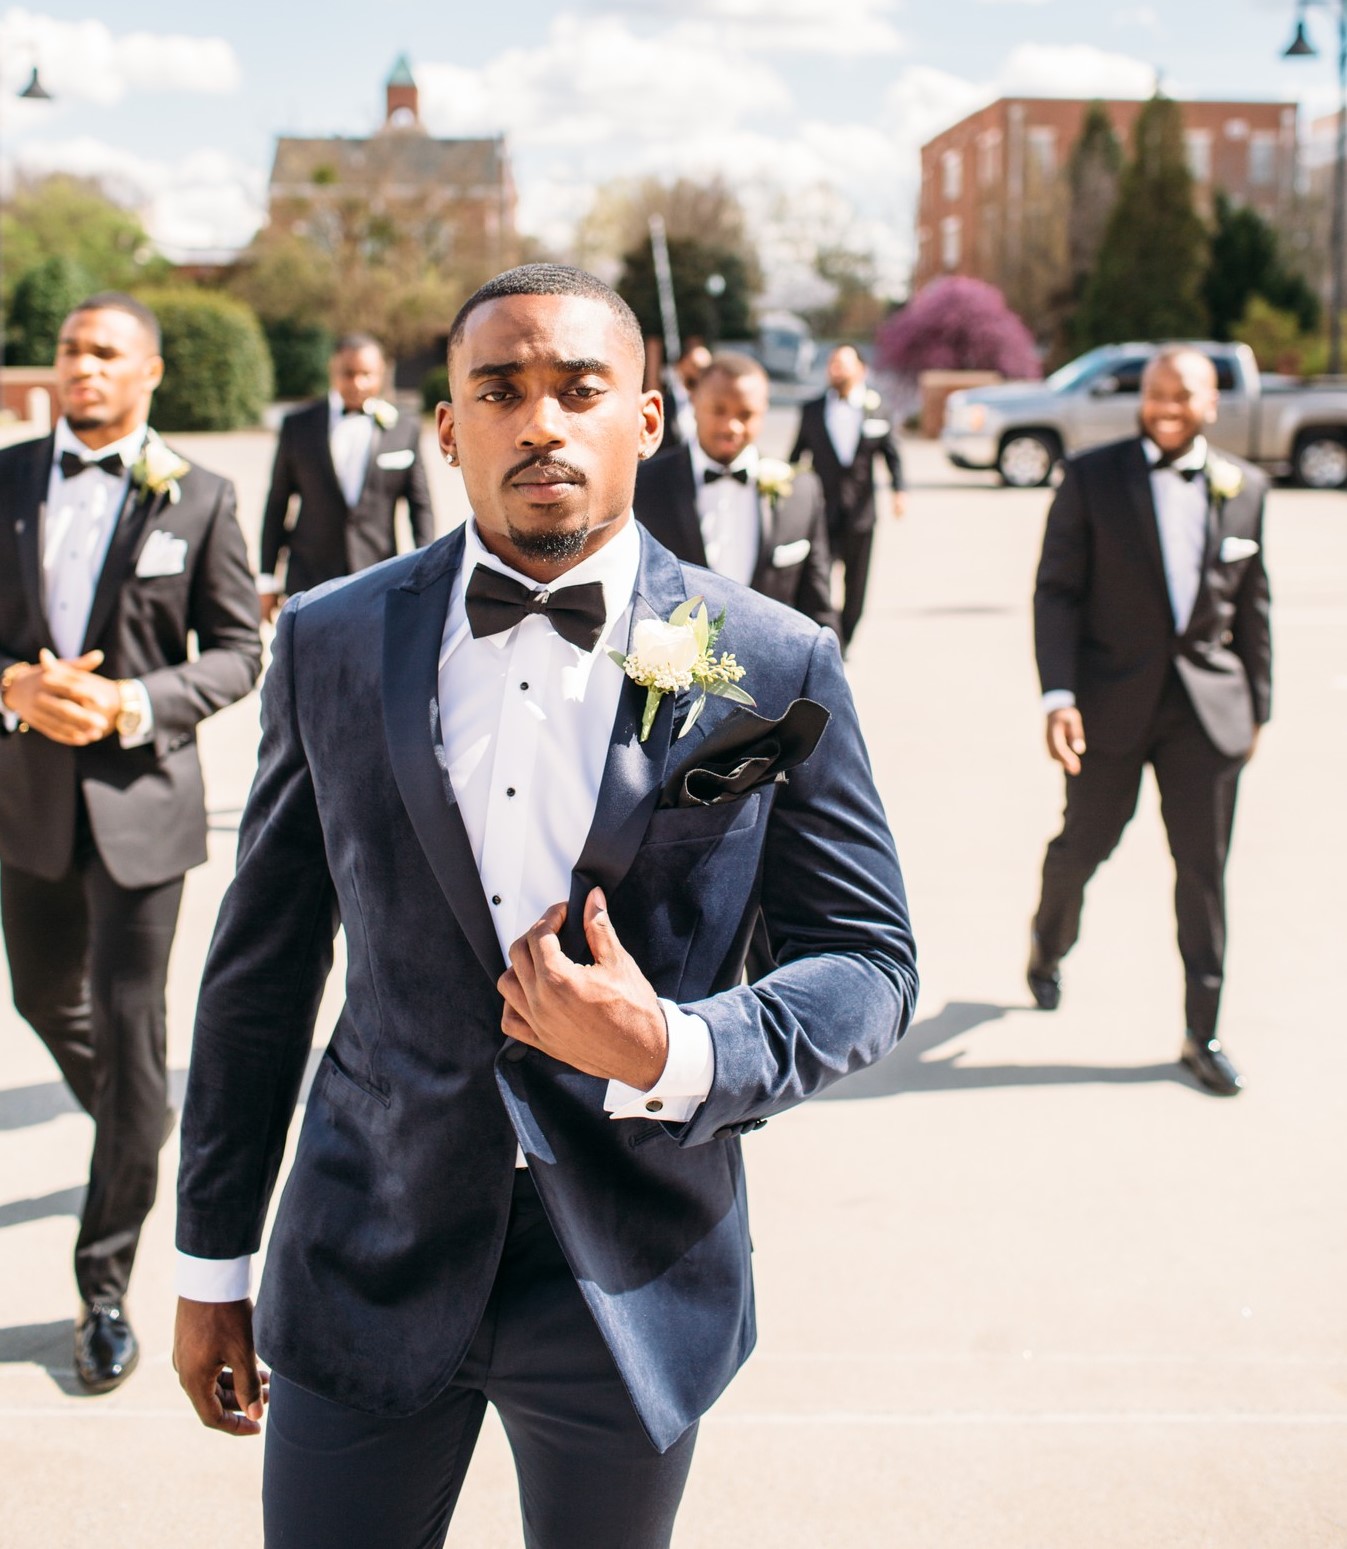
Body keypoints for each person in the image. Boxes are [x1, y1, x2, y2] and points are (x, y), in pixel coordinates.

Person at [174, 264, 916, 1549]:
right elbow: (262, 966)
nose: (543, 422)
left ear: (647, 416)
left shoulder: (772, 660)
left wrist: (677, 1049)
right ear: (449, 428)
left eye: (580, 389)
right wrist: (208, 1260)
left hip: (632, 1270)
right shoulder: (333, 639)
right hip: (368, 1244)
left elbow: (868, 957)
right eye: (500, 391)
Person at [0, 292, 262, 1392]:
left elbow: (240, 650)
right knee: (40, 997)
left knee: (127, 1016)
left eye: (107, 353)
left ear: (150, 372)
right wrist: (13, 684)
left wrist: (132, 705)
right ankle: (137, 1116)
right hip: (25, 801)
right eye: (71, 351)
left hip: (144, 806)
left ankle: (102, 1286)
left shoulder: (200, 496)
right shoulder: (8, 478)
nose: (84, 368)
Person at [1028, 346, 1271, 1096]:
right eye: (1155, 391)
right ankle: (1047, 940)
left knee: (1202, 874)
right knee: (1083, 846)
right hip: (1107, 701)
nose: (1165, 404)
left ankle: (1202, 1031)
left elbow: (1253, 603)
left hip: (1206, 713)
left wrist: (1258, 706)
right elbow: (1055, 592)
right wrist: (1057, 695)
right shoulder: (1091, 476)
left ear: (1210, 404)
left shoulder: (1245, 486)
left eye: (1182, 393)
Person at [634, 351, 839, 633]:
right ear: (694, 403)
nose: (731, 426)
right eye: (719, 410)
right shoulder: (643, 484)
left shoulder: (801, 492)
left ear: (764, 411)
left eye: (745, 414)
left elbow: (818, 604)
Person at [257, 332, 434, 620]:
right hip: (309, 579)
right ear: (333, 371)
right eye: (348, 373)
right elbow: (277, 502)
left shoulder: (404, 428)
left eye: (366, 374)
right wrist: (266, 579)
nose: (357, 383)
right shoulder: (298, 426)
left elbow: (420, 505)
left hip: (381, 576)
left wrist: (428, 572)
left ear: (381, 374)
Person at [789, 344, 904, 653]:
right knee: (818, 577)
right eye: (833, 363)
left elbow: (892, 454)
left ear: (861, 371)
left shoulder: (877, 409)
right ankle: (827, 637)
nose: (836, 369)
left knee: (857, 582)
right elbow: (796, 457)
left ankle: (847, 638)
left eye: (843, 364)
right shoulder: (811, 410)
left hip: (861, 512)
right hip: (821, 510)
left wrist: (899, 492)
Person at [654, 337, 712, 454]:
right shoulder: (664, 404)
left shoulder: (714, 405)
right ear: (680, 366)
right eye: (695, 366)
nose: (699, 372)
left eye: (705, 369)